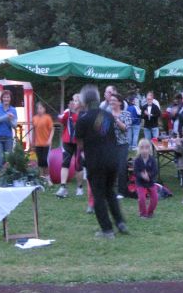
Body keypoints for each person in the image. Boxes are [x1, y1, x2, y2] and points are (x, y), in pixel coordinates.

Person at [75, 84, 128, 239]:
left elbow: (80, 144)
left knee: (98, 195)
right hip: (112, 159)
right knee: (110, 192)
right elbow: (105, 135)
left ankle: (107, 230)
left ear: (84, 101)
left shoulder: (83, 119)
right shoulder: (107, 115)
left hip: (96, 162)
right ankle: (120, 222)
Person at [56, 94, 84, 198]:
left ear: (81, 103)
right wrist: (67, 113)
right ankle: (63, 187)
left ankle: (79, 187)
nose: (73, 102)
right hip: (67, 141)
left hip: (79, 142)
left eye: (76, 101)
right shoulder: (68, 112)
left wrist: (74, 113)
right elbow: (61, 120)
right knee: (65, 163)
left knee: (78, 165)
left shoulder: (84, 113)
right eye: (73, 100)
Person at [109, 92, 132, 198]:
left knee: (121, 167)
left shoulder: (126, 114)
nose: (111, 102)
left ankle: (121, 191)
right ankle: (108, 189)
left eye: (114, 100)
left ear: (120, 102)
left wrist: (116, 119)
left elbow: (125, 128)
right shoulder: (106, 114)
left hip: (122, 144)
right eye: (111, 100)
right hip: (110, 145)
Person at [0, 90, 17, 172]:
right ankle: (0, 174)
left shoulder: (13, 110)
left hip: (8, 137)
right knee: (0, 157)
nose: (6, 99)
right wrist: (6, 116)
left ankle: (7, 174)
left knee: (8, 158)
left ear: (10, 98)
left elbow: (14, 126)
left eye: (8, 97)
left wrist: (11, 119)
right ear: (2, 98)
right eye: (4, 97)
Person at [133, 138, 158, 218]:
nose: (144, 150)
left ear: (149, 149)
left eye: (146, 148)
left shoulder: (152, 159)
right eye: (142, 148)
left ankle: (150, 212)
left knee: (155, 198)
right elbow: (135, 172)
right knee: (142, 198)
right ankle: (143, 213)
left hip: (150, 182)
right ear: (139, 149)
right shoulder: (137, 160)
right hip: (140, 183)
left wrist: (148, 176)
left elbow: (155, 171)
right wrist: (142, 176)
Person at [32, 102, 54, 183]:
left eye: (41, 108)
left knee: (45, 160)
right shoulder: (34, 118)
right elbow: (34, 130)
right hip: (38, 143)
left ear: (44, 109)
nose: (39, 110)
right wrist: (32, 141)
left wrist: (50, 139)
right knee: (40, 161)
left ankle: (48, 177)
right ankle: (41, 178)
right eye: (38, 108)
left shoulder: (48, 118)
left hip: (46, 144)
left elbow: (52, 129)